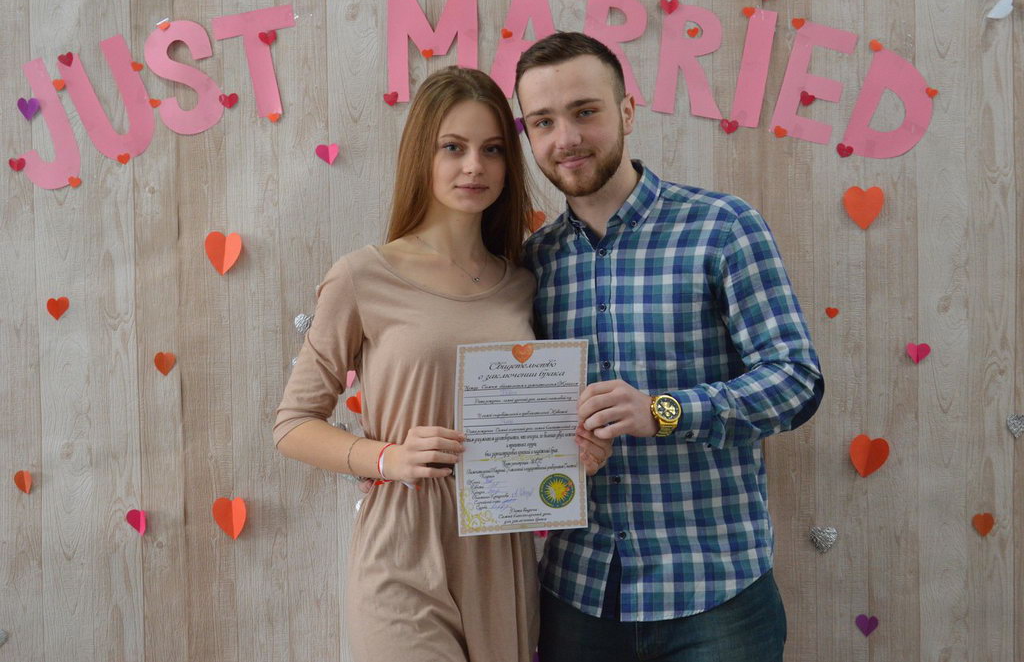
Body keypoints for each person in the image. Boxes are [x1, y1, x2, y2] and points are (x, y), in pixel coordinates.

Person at [273, 66, 611, 662]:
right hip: (401, 548)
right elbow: (292, 425)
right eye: (453, 148)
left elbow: (531, 417)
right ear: (421, 157)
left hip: (501, 553)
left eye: (492, 150)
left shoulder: (524, 283)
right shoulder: (361, 277)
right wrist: (388, 458)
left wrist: (576, 449)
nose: (474, 167)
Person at [514, 33, 825, 661]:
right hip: (578, 594)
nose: (565, 137)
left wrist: (663, 411)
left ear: (627, 111)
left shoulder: (721, 226)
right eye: (543, 121)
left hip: (716, 595)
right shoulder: (533, 263)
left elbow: (796, 380)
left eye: (585, 111)